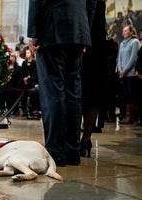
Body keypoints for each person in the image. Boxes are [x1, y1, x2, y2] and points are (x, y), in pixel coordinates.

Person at [27, 0, 96, 166]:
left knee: (52, 92)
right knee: (73, 93)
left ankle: (56, 151)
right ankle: (72, 150)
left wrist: (34, 33)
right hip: (78, 31)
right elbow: (92, 3)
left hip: (52, 30)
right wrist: (84, 31)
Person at [80, 0, 108, 157]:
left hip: (84, 41)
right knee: (93, 91)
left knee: (80, 90)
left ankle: (79, 139)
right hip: (97, 44)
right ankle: (86, 139)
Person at [116, 25, 140, 124]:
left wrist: (125, 70)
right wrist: (120, 69)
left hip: (131, 74)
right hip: (123, 74)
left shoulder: (135, 42)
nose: (124, 32)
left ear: (131, 32)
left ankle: (131, 117)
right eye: (123, 31)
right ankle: (126, 116)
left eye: (126, 31)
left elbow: (133, 58)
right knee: (125, 96)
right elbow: (119, 58)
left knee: (131, 96)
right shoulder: (121, 44)